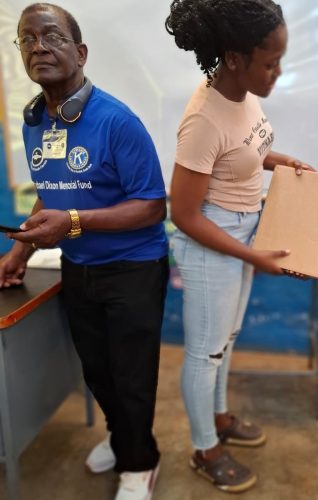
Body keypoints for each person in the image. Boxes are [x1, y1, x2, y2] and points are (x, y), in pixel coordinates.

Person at [0, 4, 169, 499]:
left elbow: (152, 207)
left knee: (131, 378)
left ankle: (141, 463)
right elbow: (51, 194)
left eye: (51, 37)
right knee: (96, 372)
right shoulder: (35, 122)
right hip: (78, 267)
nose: (38, 47)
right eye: (27, 39)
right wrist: (19, 254)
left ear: (80, 52)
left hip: (133, 268)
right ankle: (123, 440)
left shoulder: (117, 121)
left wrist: (73, 222)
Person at [165, 0, 313, 493]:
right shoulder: (203, 120)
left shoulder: (243, 94)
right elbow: (184, 214)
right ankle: (204, 448)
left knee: (225, 340)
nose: (278, 73)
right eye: (270, 63)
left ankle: (220, 417)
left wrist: (281, 161)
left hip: (243, 234)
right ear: (233, 58)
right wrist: (251, 256)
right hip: (213, 242)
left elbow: (243, 150)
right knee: (205, 352)